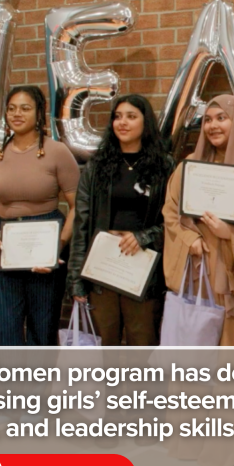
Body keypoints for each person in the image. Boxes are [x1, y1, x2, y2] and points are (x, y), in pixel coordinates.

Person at [161, 94, 234, 466]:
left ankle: (224, 448)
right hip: (198, 278)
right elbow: (171, 214)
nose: (214, 126)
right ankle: (187, 441)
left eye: (224, 118)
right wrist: (190, 241)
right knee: (191, 364)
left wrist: (229, 235)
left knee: (233, 367)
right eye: (208, 119)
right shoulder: (190, 165)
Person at [67, 94, 174, 346]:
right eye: (117, 116)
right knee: (106, 348)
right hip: (102, 271)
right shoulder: (96, 166)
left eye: (131, 116)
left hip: (144, 272)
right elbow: (81, 223)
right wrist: (76, 278)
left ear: (145, 122)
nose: (122, 122)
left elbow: (174, 222)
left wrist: (144, 236)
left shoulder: (164, 166)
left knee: (143, 347)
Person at [0, 86, 79, 347]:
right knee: (3, 328)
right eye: (11, 109)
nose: (16, 114)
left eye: (24, 108)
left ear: (39, 113)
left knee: (42, 329)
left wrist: (60, 244)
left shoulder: (57, 152)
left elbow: (78, 206)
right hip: (4, 240)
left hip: (44, 238)